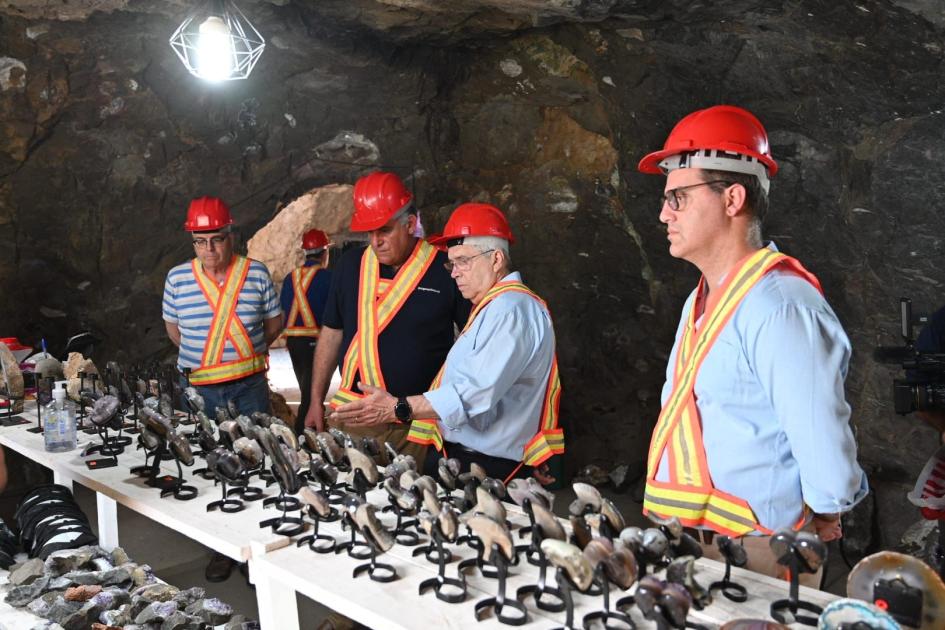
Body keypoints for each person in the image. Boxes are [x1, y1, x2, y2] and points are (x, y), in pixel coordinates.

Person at [637, 105, 868, 585]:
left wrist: (826, 505)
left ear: (732, 198)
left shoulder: (780, 305)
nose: (663, 214)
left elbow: (820, 428)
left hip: (761, 547)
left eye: (678, 197)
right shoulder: (702, 299)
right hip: (699, 534)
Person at [332, 203, 562, 484]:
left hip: (488, 465)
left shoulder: (510, 310)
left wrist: (398, 407)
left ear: (496, 260)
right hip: (469, 456)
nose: (454, 273)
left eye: (464, 261)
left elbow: (473, 394)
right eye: (451, 263)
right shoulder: (495, 307)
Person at [303, 172, 469, 464]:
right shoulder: (350, 265)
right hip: (353, 416)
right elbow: (332, 332)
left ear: (409, 224)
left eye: (385, 230)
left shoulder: (445, 270)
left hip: (415, 424)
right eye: (369, 233)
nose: (376, 241)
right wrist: (315, 400)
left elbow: (472, 344)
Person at [162, 196, 282, 582]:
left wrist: (243, 353)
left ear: (232, 236)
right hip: (201, 390)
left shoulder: (256, 273)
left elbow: (274, 323)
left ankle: (257, 552)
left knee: (257, 462)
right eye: (200, 241)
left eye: (216, 239)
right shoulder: (178, 278)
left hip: (249, 386)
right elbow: (174, 330)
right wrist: (209, 358)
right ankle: (222, 547)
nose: (209, 249)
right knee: (212, 465)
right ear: (192, 242)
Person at [280, 229, 332, 434]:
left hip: (294, 343)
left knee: (307, 390)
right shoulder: (328, 278)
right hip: (317, 343)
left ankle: (307, 434)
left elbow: (284, 310)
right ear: (324, 253)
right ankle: (304, 438)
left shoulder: (289, 278)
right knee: (311, 396)